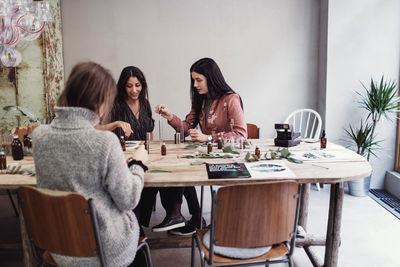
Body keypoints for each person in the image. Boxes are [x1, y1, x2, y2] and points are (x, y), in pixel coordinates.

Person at [32, 61, 148, 267]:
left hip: (60, 245)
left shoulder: (39, 136)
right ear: (100, 101)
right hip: (103, 249)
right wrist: (138, 164)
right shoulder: (104, 142)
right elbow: (128, 200)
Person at [155, 57, 247, 235]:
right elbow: (187, 128)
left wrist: (208, 138)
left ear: (211, 78)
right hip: (207, 157)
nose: (195, 84)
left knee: (182, 166)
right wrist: (169, 116)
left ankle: (182, 215)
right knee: (178, 164)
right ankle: (183, 215)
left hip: (229, 160)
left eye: (199, 80)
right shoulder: (201, 100)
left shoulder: (231, 99)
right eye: (193, 80)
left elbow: (241, 136)